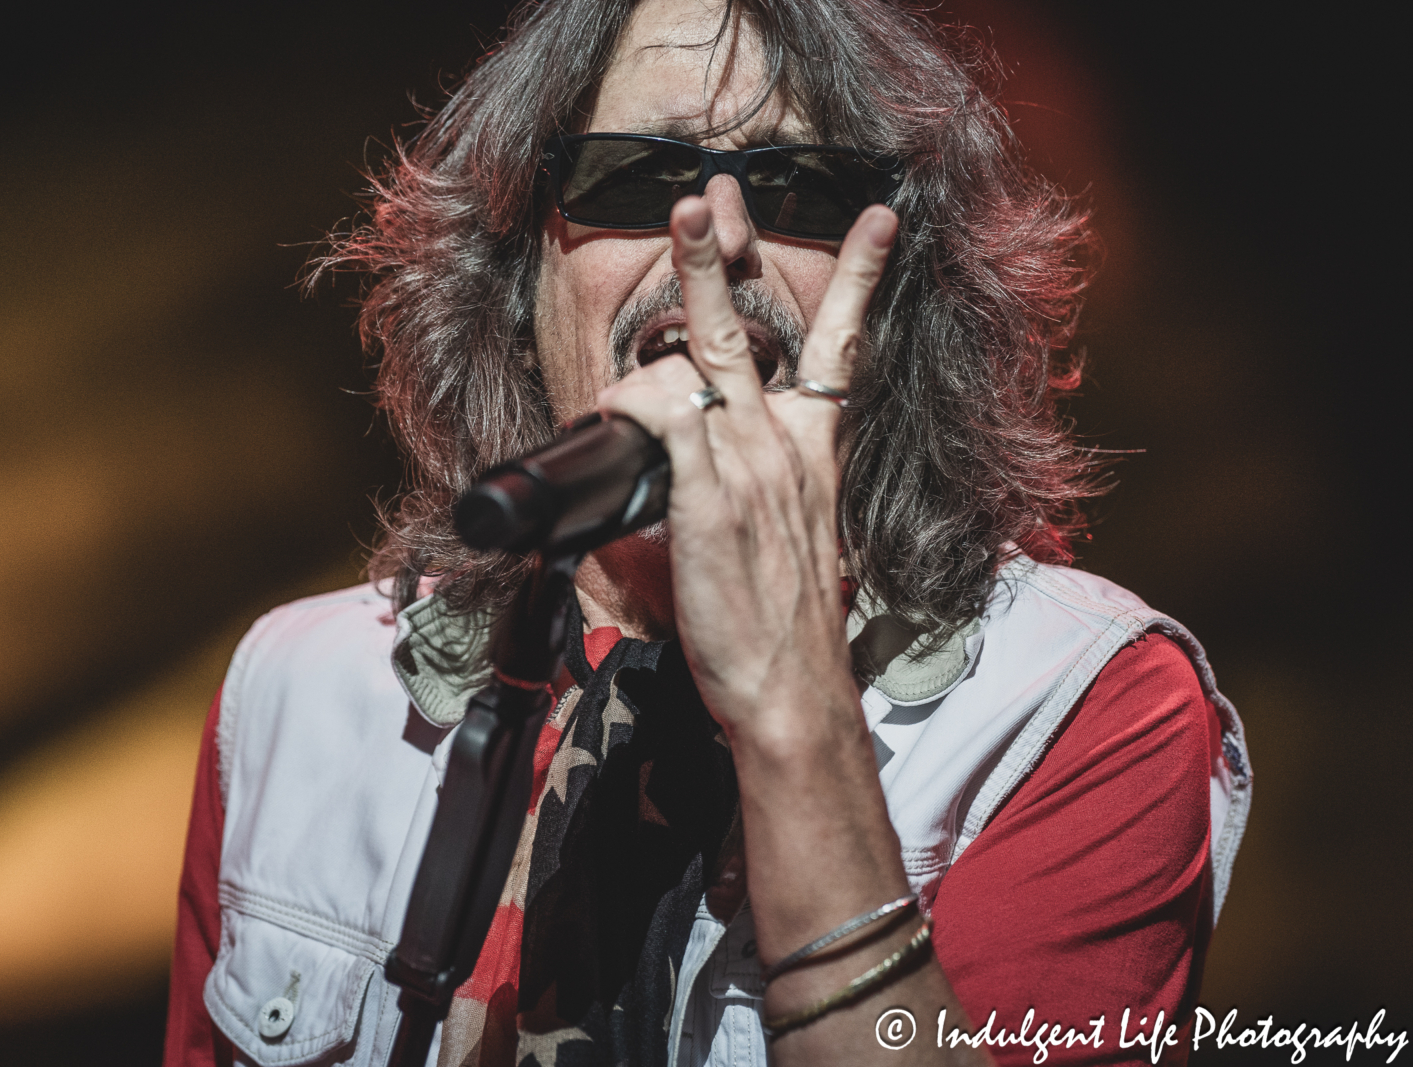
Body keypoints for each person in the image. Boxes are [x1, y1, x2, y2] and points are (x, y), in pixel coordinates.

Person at [164, 1, 1251, 1065]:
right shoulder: (295, 696)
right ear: (515, 279)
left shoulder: (1083, 704)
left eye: (797, 188)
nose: (721, 238)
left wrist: (795, 718)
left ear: (897, 311)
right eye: (638, 174)